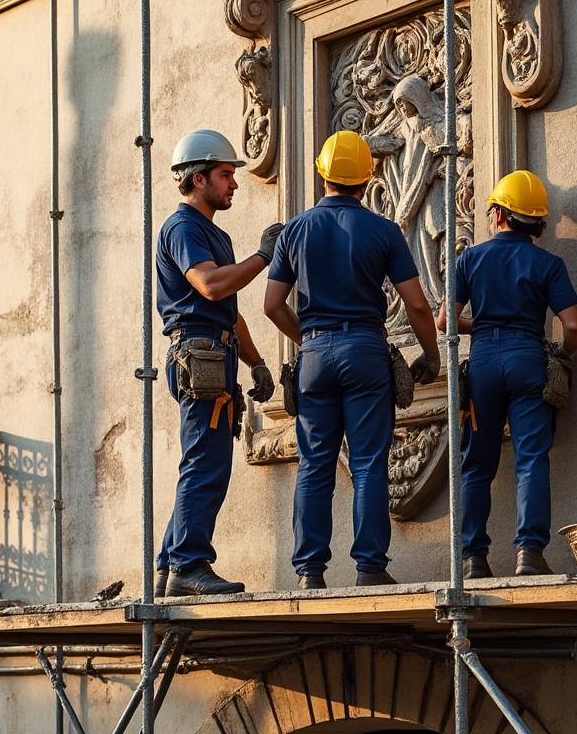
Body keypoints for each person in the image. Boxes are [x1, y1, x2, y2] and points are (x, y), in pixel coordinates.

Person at [263, 130, 440, 590]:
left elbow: (272, 305)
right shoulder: (384, 231)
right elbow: (417, 305)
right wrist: (430, 353)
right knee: (368, 462)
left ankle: (309, 572)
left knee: (315, 464)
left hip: (315, 356)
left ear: (322, 174)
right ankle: (370, 567)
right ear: (368, 176)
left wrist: (309, 339)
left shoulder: (294, 231)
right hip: (365, 350)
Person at [439, 169, 577, 578]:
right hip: (528, 359)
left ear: (500, 214)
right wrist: (562, 355)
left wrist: (484, 326)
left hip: (484, 363)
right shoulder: (548, 264)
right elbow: (574, 327)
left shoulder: (469, 259)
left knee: (476, 465)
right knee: (531, 459)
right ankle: (529, 554)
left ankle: (473, 559)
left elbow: (444, 321)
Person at [155, 129, 279, 596]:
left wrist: (256, 361)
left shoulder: (214, 234)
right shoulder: (183, 227)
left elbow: (229, 310)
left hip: (216, 349)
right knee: (205, 464)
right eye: (226, 175)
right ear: (198, 178)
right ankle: (189, 565)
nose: (234, 184)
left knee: (204, 461)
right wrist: (262, 257)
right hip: (200, 352)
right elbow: (210, 286)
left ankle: (168, 567)